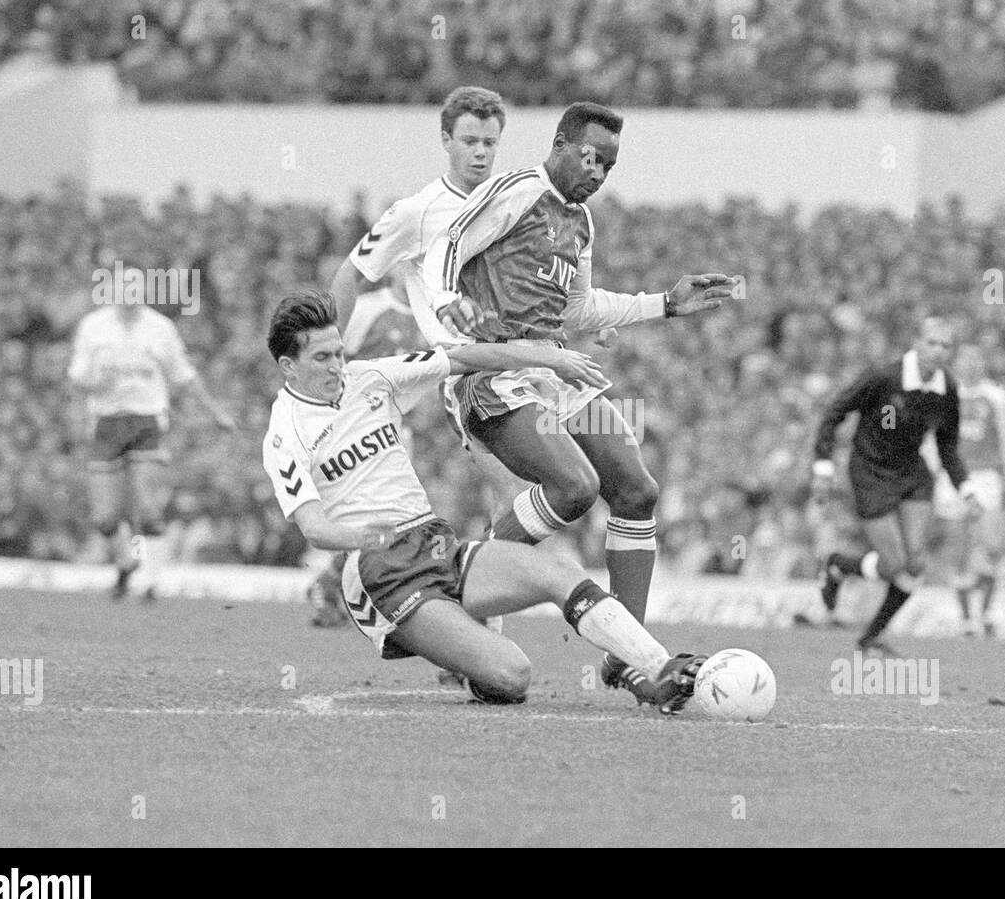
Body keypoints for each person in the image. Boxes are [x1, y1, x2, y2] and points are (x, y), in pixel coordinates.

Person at [421, 101, 734, 703]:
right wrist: (442, 302)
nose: (597, 173)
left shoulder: (581, 221)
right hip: (496, 368)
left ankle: (630, 653)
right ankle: (461, 606)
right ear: (561, 144)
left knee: (637, 489)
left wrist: (664, 303)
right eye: (591, 158)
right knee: (574, 487)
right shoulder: (517, 191)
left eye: (609, 166)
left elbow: (578, 313)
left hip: (559, 369)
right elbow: (445, 245)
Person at [261, 289, 705, 712]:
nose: (337, 365)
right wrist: (362, 536)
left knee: (560, 572)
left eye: (338, 352)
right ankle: (459, 658)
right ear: (288, 365)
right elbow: (315, 528)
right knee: (513, 677)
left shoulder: (369, 377)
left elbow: (467, 358)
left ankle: (657, 668)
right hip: (381, 572)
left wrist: (548, 357)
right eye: (322, 357)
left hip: (434, 543)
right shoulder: (286, 433)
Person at [305, 85, 528, 646]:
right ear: (447, 141)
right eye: (470, 141)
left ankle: (465, 631)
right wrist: (326, 351)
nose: (481, 152)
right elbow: (351, 273)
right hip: (455, 378)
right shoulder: (417, 211)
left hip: (502, 371)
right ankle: (470, 635)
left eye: (491, 143)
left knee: (514, 502)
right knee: (515, 498)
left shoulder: (515, 203)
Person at [812, 316, 978, 656]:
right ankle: (839, 565)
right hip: (870, 472)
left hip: (912, 473)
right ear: (916, 343)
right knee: (893, 565)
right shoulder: (884, 378)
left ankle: (871, 636)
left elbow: (947, 447)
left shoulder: (946, 388)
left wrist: (967, 490)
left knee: (916, 563)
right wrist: (823, 467)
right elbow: (834, 412)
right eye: (932, 342)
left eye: (945, 345)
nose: (938, 350)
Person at [67, 267, 234, 599]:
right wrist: (91, 386)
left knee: (147, 506)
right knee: (104, 517)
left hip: (147, 422)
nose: (129, 291)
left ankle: (152, 581)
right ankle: (128, 560)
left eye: (135, 285)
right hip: (105, 423)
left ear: (145, 290)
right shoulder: (93, 326)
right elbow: (76, 377)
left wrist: (215, 412)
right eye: (123, 285)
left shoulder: (160, 328)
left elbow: (183, 375)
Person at [938, 344, 1005, 636]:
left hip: (986, 478)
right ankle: (967, 619)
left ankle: (986, 611)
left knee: (993, 545)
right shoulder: (943, 394)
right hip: (952, 477)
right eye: (966, 359)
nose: (972, 364)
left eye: (977, 358)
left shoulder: (996, 396)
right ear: (957, 363)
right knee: (958, 548)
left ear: (983, 363)